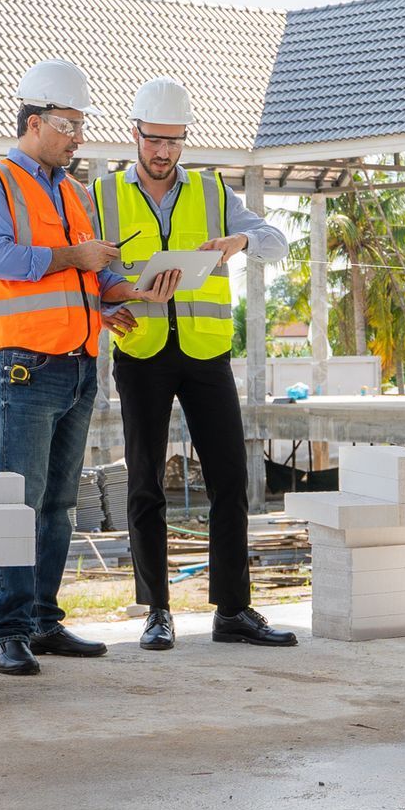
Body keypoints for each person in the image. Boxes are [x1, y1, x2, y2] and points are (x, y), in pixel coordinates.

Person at [0, 59, 176, 676]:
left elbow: (92, 275)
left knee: (57, 502)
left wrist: (129, 294)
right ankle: (8, 631)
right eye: (68, 125)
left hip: (80, 364)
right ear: (34, 122)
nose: (78, 137)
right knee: (19, 501)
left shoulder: (74, 192)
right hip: (25, 366)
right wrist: (73, 255)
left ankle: (44, 621)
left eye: (81, 125)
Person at [92, 77, 298, 651]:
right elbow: (88, 274)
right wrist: (110, 304)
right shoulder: (102, 195)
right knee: (145, 484)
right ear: (134, 135)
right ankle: (156, 610)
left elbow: (276, 240)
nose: (163, 153)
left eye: (174, 142)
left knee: (230, 480)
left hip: (208, 354)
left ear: (185, 140)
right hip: (141, 354)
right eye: (155, 141)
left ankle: (233, 611)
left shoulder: (213, 191)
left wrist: (240, 243)